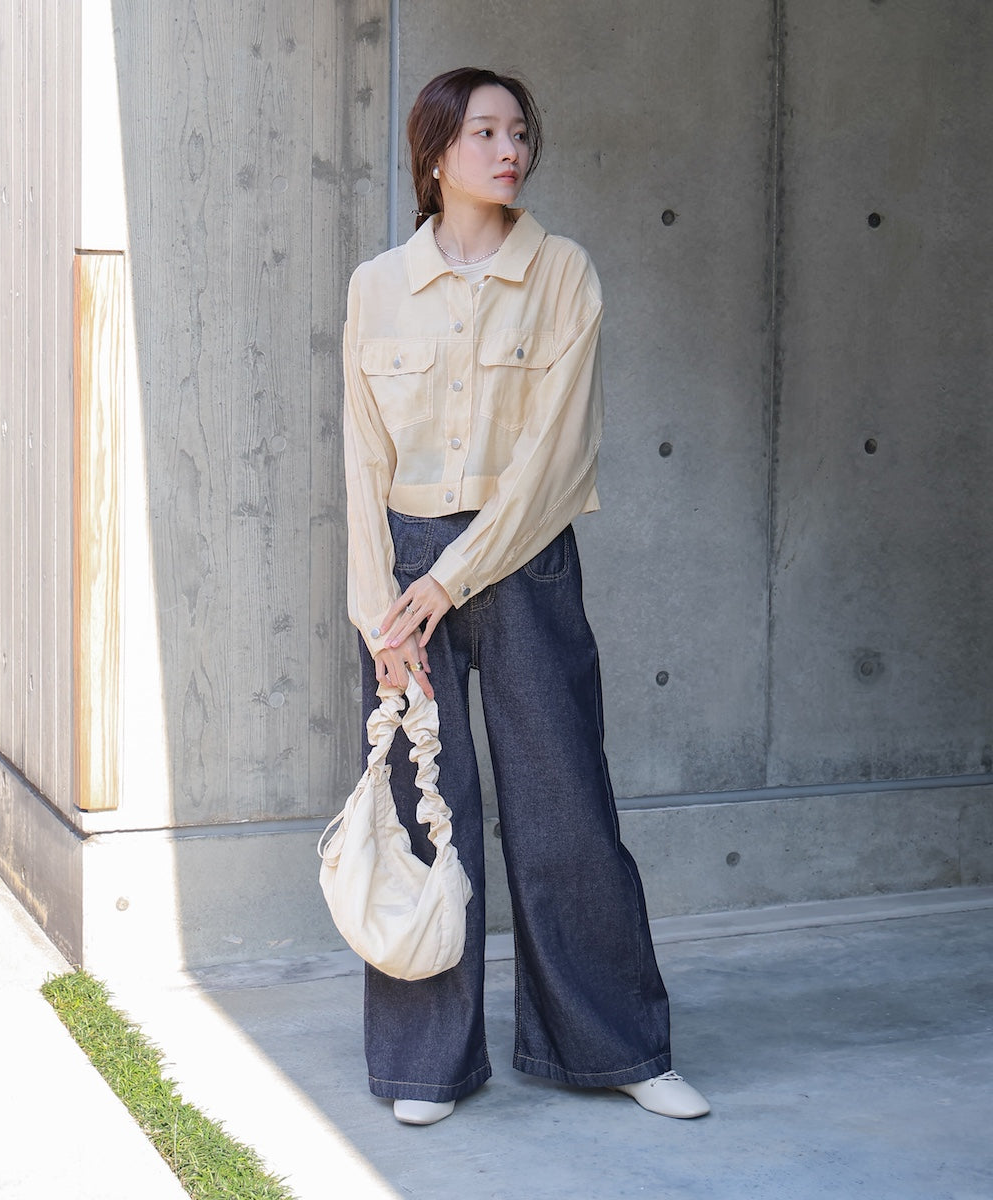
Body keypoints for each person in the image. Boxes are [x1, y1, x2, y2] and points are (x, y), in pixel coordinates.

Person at [342, 66, 710, 1126]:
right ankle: (426, 1064)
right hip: (403, 567)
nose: (510, 151)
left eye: (519, 132)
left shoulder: (563, 273)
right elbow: (361, 461)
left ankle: (616, 1047)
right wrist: (379, 611)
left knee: (564, 811)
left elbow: (555, 459)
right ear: (435, 153)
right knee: (424, 808)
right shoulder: (377, 285)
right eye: (485, 133)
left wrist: (449, 578)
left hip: (522, 559)